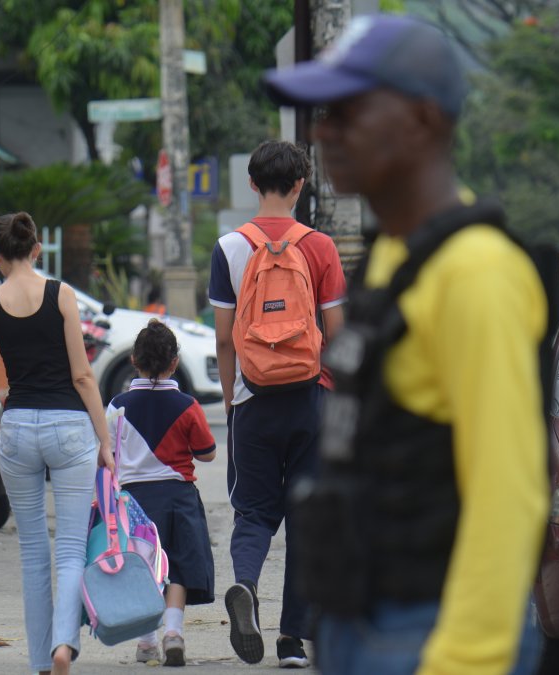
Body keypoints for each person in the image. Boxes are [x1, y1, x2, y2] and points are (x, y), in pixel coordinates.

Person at [263, 14, 549, 675]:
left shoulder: (477, 272)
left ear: (423, 119)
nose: (321, 129)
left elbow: (509, 493)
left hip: (433, 634)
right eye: (320, 111)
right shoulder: (394, 255)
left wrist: (465, 658)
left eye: (348, 109)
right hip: (361, 623)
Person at [0, 212, 113, 675]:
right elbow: (82, 374)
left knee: (34, 549)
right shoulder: (62, 294)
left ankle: (42, 660)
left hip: (18, 429)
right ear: (36, 249)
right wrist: (105, 440)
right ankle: (65, 644)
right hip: (70, 429)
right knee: (72, 546)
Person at [207, 140, 347, 668]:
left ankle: (245, 585)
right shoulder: (320, 247)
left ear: (251, 184)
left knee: (254, 512)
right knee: (305, 516)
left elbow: (224, 337)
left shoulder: (228, 247)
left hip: (253, 398)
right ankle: (292, 640)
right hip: (313, 397)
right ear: (299, 186)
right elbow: (337, 331)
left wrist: (231, 395)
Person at [107, 319, 217, 667]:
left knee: (142, 568)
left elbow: (106, 454)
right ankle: (173, 632)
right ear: (174, 363)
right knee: (179, 568)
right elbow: (208, 451)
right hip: (178, 498)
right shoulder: (187, 405)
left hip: (133, 502)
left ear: (134, 361)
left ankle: (146, 642)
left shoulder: (117, 405)